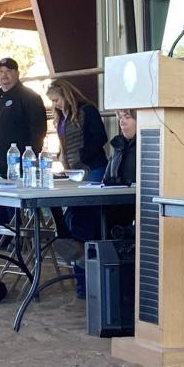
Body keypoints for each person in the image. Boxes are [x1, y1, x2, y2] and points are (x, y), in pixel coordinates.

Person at [55, 108, 137, 298]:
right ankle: (76, 249)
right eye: (119, 117)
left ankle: (80, 254)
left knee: (82, 220)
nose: (122, 122)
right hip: (112, 199)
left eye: (127, 117)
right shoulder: (118, 146)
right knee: (75, 212)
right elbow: (108, 177)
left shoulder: (145, 148)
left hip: (128, 206)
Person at [0, 57, 47, 250]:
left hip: (18, 160)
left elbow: (38, 128)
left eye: (8, 71)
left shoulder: (29, 97)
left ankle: (19, 237)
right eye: (0, 71)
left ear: (17, 73)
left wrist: (31, 155)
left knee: (14, 200)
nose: (4, 75)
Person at [47, 78, 109, 181]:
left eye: (56, 100)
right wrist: (60, 155)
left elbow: (101, 136)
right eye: (52, 101)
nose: (54, 105)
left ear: (66, 96)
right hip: (74, 170)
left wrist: (83, 155)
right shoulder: (62, 117)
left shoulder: (87, 110)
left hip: (93, 167)